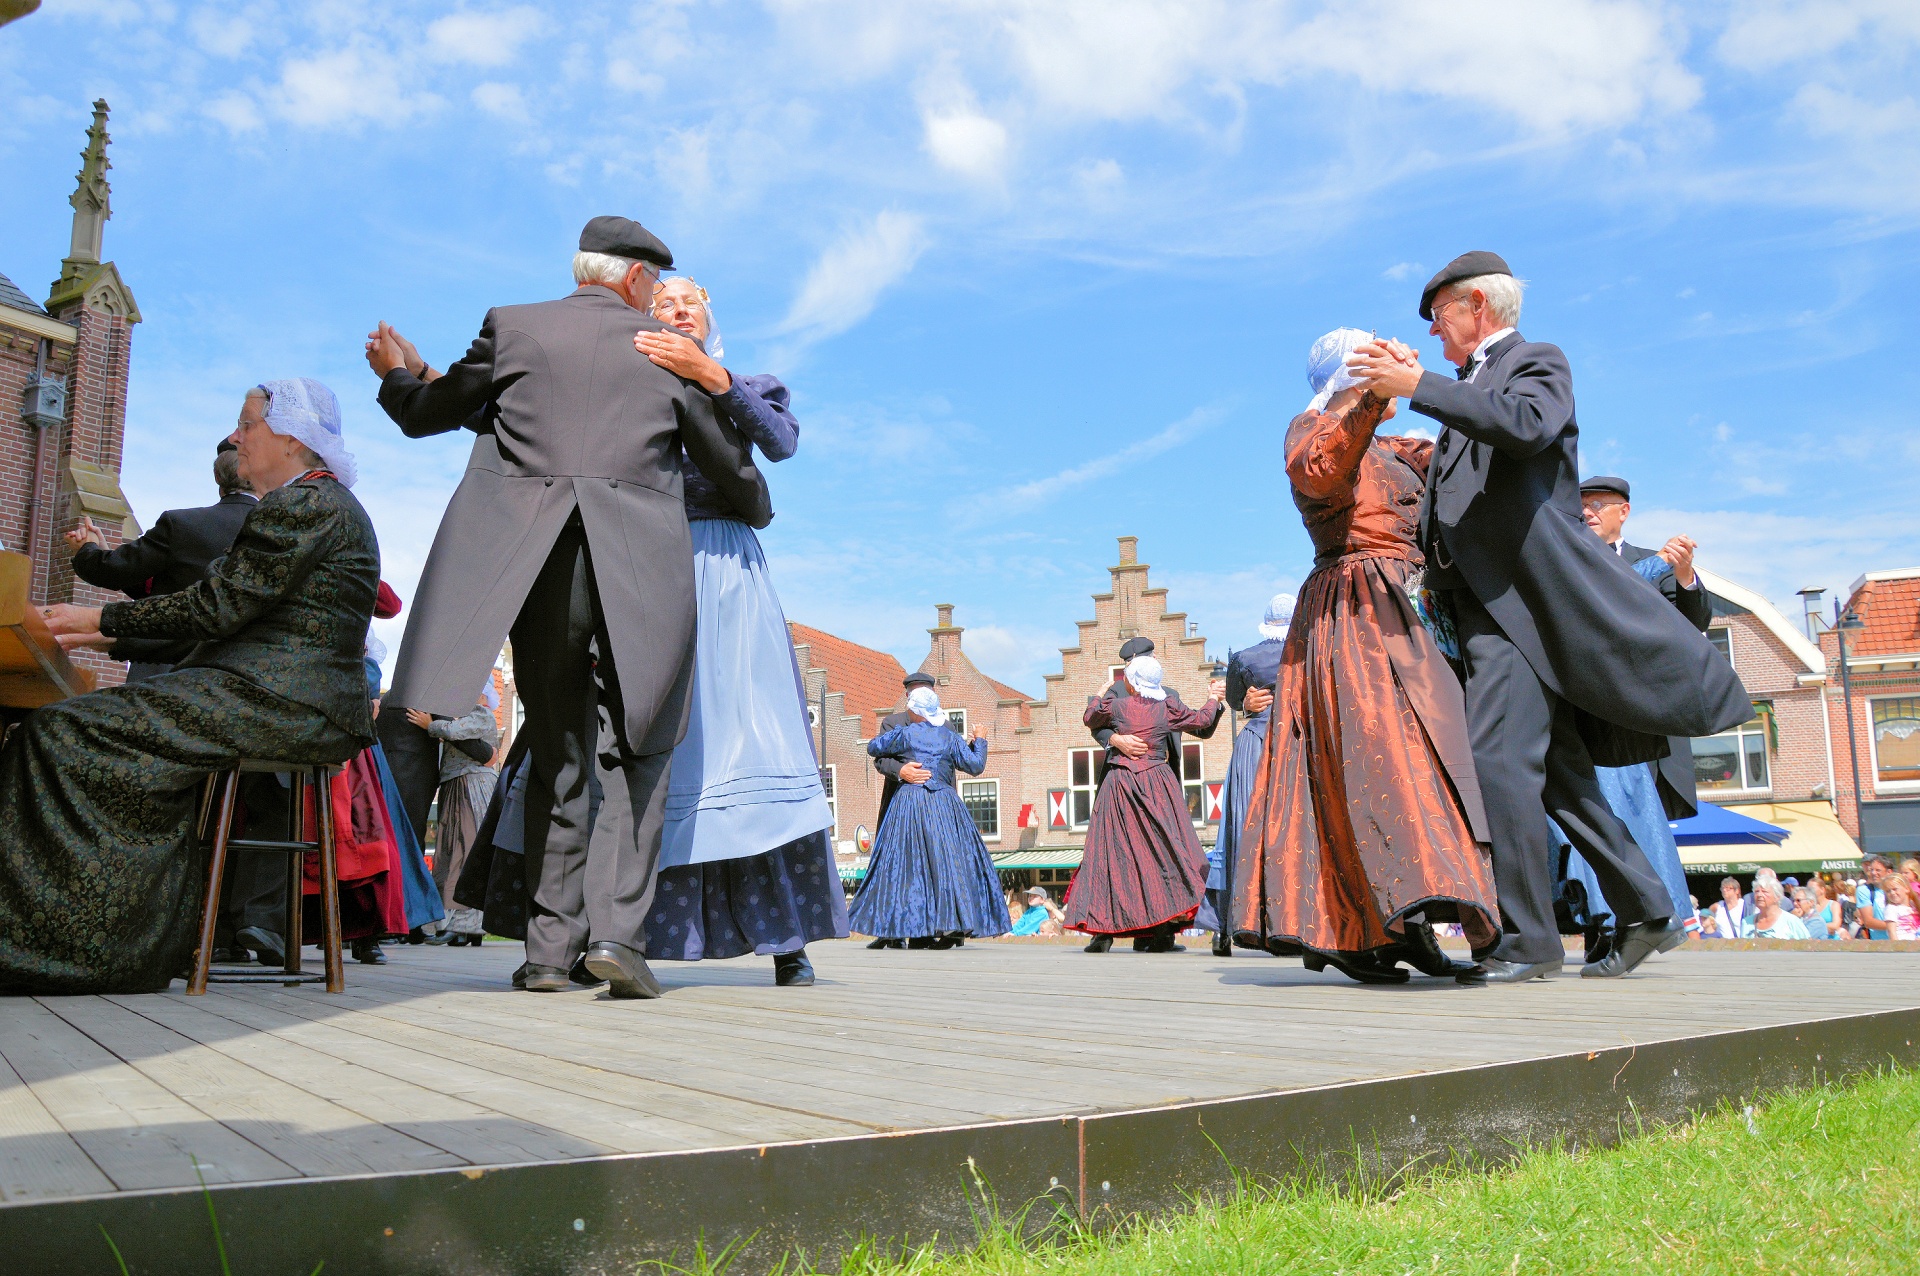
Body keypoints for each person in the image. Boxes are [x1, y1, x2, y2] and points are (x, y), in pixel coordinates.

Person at [366, 215, 770, 999]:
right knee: (642, 747)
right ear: (630, 277)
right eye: (652, 281)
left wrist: (398, 373)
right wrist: (754, 501)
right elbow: (731, 471)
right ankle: (617, 937)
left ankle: (549, 952)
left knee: (559, 750)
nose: (653, 296)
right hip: (641, 569)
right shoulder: (660, 349)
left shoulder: (514, 328)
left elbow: (429, 414)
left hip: (541, 568)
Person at [1347, 252, 1752, 983]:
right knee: (1558, 772)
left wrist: (1421, 387)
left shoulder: (1536, 362)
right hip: (1488, 606)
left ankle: (1529, 939)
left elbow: (1526, 426)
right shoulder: (1466, 386)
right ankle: (1647, 907)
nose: (1436, 337)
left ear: (1477, 305)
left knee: (1500, 762)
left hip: (1521, 605)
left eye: (1440, 319)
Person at [1, 379, 378, 994]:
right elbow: (227, 623)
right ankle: (130, 940)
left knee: (56, 729)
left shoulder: (300, 506)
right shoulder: (320, 505)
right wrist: (102, 639)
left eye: (247, 424)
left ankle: (78, 947)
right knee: (89, 728)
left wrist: (98, 618)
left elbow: (216, 608)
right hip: (287, 697)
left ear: (289, 435)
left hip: (278, 699)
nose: (236, 437)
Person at [1231, 330, 1499, 984]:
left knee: (1442, 758)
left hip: (1417, 612)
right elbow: (1320, 473)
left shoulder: (1402, 448)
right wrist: (1373, 393)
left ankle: (1409, 927)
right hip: (1353, 611)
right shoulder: (1313, 428)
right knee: (1380, 760)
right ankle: (1362, 928)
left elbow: (1472, 469)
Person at [611, 276, 844, 989]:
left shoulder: (750, 382)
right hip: (652, 562)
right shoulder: (629, 387)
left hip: (725, 563)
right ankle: (633, 932)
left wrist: (711, 378)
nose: (676, 311)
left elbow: (781, 443)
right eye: (662, 306)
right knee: (662, 744)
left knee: (754, 736)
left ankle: (787, 938)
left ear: (710, 314)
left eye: (688, 303)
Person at [66, 443, 258, 682]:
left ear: (217, 476)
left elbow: (114, 571)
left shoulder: (182, 524)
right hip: (245, 673)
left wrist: (87, 549)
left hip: (164, 665)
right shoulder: (278, 533)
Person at [1070, 655, 1223, 953]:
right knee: (1164, 853)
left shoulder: (1116, 704)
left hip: (1120, 784)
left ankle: (1111, 931)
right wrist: (1213, 699)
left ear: (1132, 680)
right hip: (1156, 783)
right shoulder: (1167, 705)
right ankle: (1155, 930)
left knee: (1111, 855)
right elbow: (1201, 721)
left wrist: (1098, 696)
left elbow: (1090, 718)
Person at [850, 688, 1008, 946]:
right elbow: (975, 766)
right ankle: (952, 924)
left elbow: (873, 747)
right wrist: (980, 740)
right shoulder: (950, 736)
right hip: (944, 805)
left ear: (916, 711)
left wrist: (901, 763)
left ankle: (915, 928)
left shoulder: (906, 733)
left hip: (910, 803)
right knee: (947, 864)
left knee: (909, 866)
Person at [1199, 594, 1288, 958]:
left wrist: (1247, 704)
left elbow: (1236, 702)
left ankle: (1227, 926)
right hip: (1294, 742)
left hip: (1255, 744)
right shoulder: (1311, 648)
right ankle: (1289, 925)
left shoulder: (1244, 657)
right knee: (1290, 831)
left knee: (1239, 830)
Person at [410, 683, 500, 946]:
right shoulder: (470, 715)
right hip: (456, 783)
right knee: (451, 852)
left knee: (465, 849)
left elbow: (455, 731)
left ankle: (465, 924)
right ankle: (458, 925)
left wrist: (431, 725)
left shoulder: (482, 714)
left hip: (472, 784)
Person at [865, 670, 941, 948]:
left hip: (933, 806)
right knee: (893, 864)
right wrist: (901, 770)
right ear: (908, 696)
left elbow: (951, 767)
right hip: (899, 801)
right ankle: (890, 931)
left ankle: (926, 931)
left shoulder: (942, 725)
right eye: (915, 692)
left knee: (929, 865)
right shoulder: (893, 723)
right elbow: (879, 760)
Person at [1743, 878, 1810, 939]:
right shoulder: (1746, 922)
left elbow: (1808, 946)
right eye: (1757, 891)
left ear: (1777, 897)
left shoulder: (1792, 922)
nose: (1759, 895)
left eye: (1764, 892)